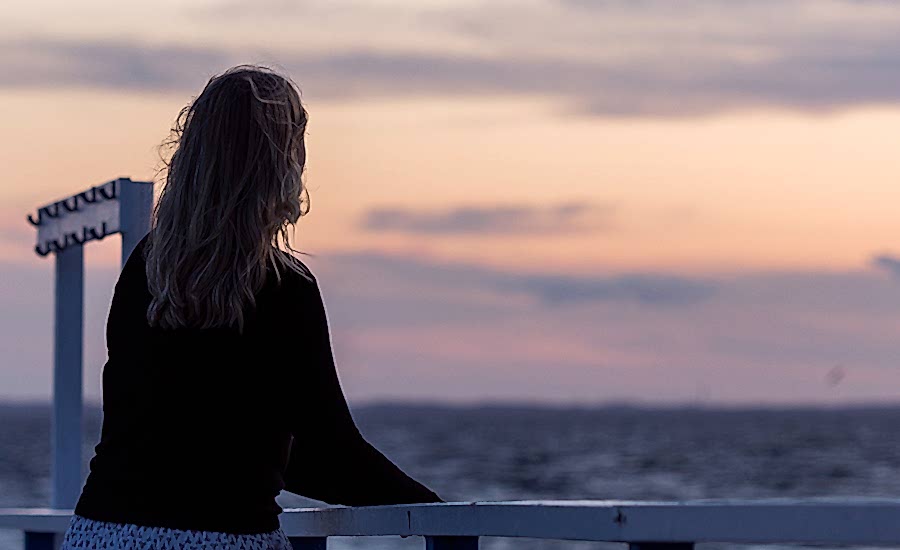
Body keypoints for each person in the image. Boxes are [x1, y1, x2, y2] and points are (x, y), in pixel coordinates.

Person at [61, 65, 442, 550]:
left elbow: (166, 429)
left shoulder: (147, 268)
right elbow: (330, 452)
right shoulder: (285, 288)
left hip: (101, 532)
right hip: (219, 538)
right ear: (281, 163)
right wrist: (436, 510)